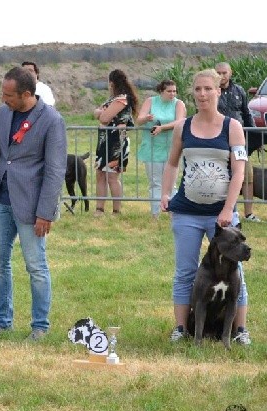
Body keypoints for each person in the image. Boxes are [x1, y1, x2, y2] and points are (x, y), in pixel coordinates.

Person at [161, 69, 251, 345]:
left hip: (221, 217)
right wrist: (166, 193)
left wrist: (228, 209)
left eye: (208, 89)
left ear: (218, 91)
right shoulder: (182, 127)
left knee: (236, 273)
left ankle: (239, 331)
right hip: (187, 212)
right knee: (185, 272)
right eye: (198, 89)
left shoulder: (232, 127)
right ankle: (181, 329)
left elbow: (239, 172)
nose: (202, 94)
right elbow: (173, 163)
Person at [0, 67, 67, 342]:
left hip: (32, 207)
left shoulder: (52, 121)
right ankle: (2, 322)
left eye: (8, 95)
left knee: (36, 266)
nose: (3, 98)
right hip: (0, 201)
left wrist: (45, 212)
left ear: (27, 94)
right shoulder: (4, 113)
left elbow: (55, 171)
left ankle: (40, 326)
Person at [216, 61, 262, 222]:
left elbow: (247, 114)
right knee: (222, 176)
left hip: (240, 141)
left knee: (246, 175)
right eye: (218, 73)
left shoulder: (239, 90)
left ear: (231, 73)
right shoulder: (212, 91)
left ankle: (248, 213)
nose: (221, 76)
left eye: (224, 73)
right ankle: (224, 209)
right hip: (219, 139)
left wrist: (257, 137)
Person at [136, 79, 187, 219]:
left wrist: (162, 128)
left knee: (172, 183)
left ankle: (174, 212)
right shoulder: (150, 101)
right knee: (155, 182)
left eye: (174, 91)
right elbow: (139, 120)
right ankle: (155, 214)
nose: (172, 94)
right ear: (161, 91)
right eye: (169, 91)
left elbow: (180, 121)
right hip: (152, 148)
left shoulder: (179, 104)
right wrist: (146, 118)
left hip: (172, 147)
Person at [93, 69, 139, 216]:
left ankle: (116, 210)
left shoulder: (122, 99)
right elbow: (98, 113)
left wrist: (101, 114)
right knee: (100, 174)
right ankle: (99, 208)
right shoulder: (112, 99)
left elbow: (104, 118)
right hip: (104, 141)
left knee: (112, 176)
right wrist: (101, 113)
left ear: (111, 83)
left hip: (116, 143)